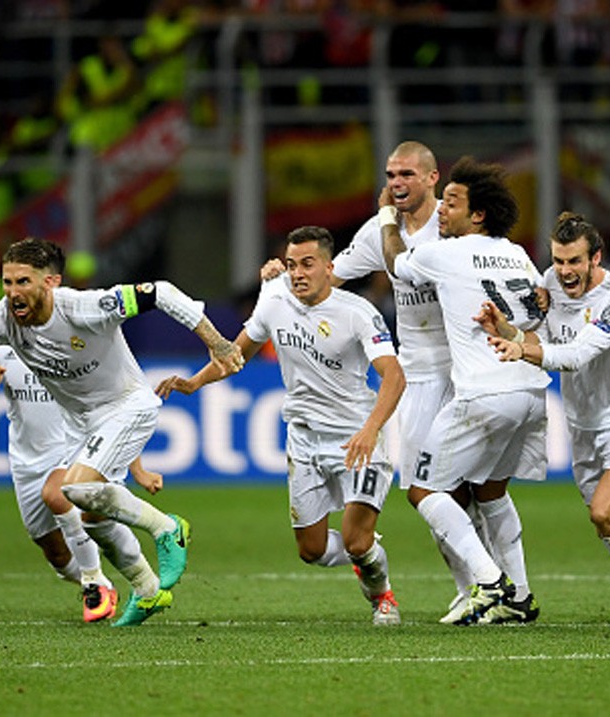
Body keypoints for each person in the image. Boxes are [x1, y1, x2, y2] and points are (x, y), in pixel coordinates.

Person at [0, 237, 244, 627]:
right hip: (83, 422)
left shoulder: (85, 308)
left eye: (23, 282)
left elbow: (159, 292)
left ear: (51, 282)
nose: (13, 293)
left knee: (72, 491)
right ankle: (147, 591)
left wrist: (220, 344)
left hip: (127, 406)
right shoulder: (2, 319)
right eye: (7, 283)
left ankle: (168, 529)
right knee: (93, 518)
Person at [157, 226, 406, 626]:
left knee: (356, 541)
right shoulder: (274, 303)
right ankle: (365, 552)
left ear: (329, 266)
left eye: (308, 264)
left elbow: (394, 376)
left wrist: (371, 429)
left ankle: (382, 596)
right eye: (292, 265)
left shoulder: (358, 312)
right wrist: (195, 381)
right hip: (303, 439)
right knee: (311, 551)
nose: (298, 273)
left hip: (356, 438)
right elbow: (235, 354)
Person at [329, 140, 495, 622]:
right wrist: (277, 281)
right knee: (428, 486)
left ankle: (499, 586)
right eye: (390, 175)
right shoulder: (377, 231)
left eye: (406, 174)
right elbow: (329, 278)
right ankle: (474, 589)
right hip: (420, 372)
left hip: (469, 367)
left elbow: (498, 264)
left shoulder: (455, 224)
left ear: (431, 178)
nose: (396, 183)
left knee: (481, 489)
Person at [477, 211, 610, 625]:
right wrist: (507, 330)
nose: (564, 272)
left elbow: (577, 355)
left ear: (595, 259)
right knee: (608, 519)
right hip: (583, 423)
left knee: (604, 512)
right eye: (559, 261)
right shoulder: (548, 284)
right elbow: (541, 339)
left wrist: (522, 351)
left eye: (574, 262)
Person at [381, 155, 547, 625]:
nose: (440, 212)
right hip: (530, 388)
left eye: (451, 203)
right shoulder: (517, 253)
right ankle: (521, 597)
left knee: (422, 489)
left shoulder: (445, 252)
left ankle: (490, 581)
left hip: (483, 392)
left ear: (478, 215)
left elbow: (396, 264)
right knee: (491, 492)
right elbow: (538, 311)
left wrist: (388, 219)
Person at [0, 344, 160, 623]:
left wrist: (138, 470)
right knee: (56, 554)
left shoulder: (69, 336)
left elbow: (115, 408)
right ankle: (101, 583)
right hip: (27, 462)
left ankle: (95, 583)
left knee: (57, 495)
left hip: (73, 448)